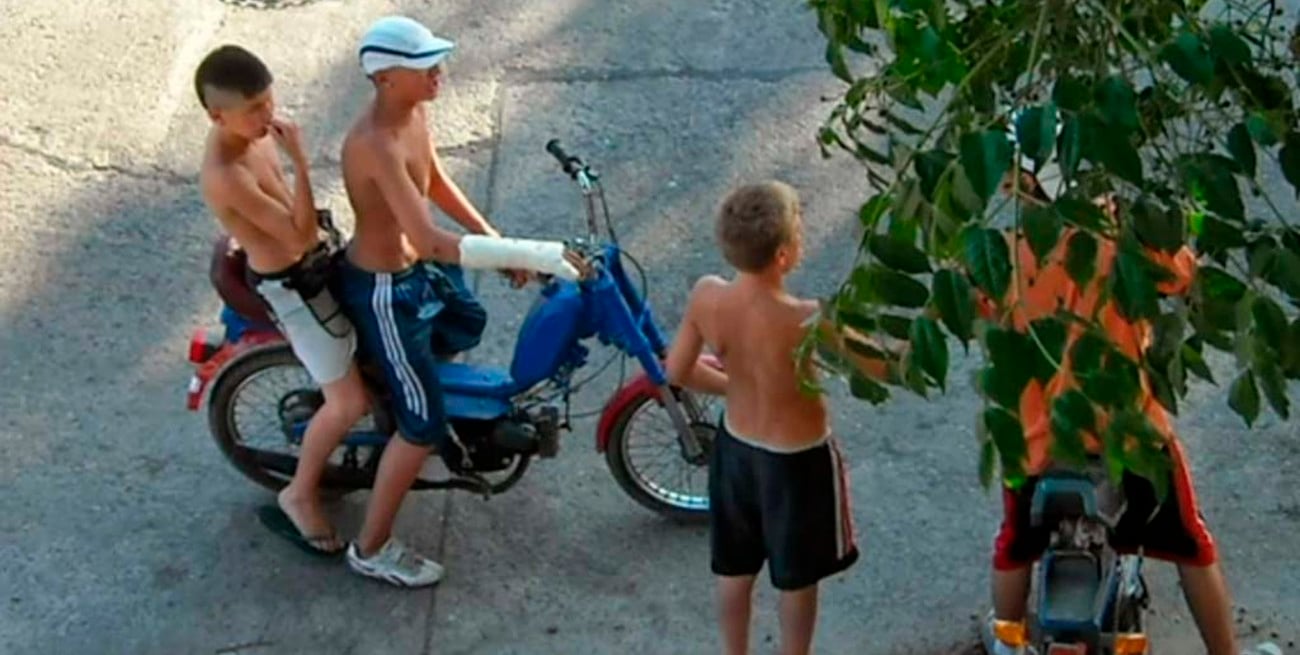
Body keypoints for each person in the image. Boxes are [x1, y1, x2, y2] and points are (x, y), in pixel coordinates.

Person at [333, 15, 582, 588]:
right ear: (387, 77)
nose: (438, 74)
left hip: (416, 274)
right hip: (385, 293)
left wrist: (496, 242)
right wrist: (525, 254)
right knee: (423, 425)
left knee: (467, 320)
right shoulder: (373, 143)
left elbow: (437, 182)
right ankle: (370, 547)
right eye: (425, 67)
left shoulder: (413, 114)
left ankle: (396, 389)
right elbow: (428, 240)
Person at [980, 172, 1245, 655]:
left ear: (1021, 186)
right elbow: (1183, 276)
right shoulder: (1126, 243)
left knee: (1014, 546)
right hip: (1130, 439)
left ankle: (1007, 640)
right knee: (1192, 544)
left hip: (1038, 444)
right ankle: (1226, 651)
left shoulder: (1002, 255)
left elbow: (976, 309)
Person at [663, 181, 889, 655]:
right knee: (798, 577)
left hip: (736, 447)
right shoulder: (808, 317)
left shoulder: (708, 296)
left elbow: (677, 371)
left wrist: (734, 385)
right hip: (799, 461)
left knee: (734, 569)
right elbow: (881, 366)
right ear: (784, 254)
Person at [195, 45, 368, 556]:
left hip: (314, 258)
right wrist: (299, 161)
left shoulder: (248, 133)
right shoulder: (228, 172)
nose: (267, 117)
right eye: (254, 110)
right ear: (216, 115)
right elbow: (296, 235)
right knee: (348, 401)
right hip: (294, 286)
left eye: (268, 103)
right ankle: (298, 494)